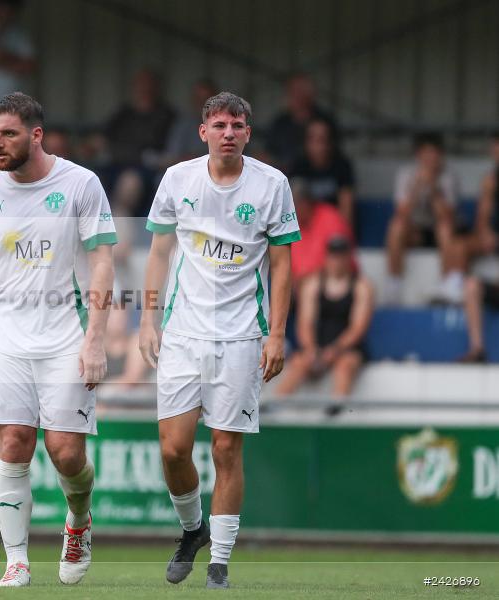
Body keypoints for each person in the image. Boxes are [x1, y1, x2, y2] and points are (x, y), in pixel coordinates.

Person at [0, 92, 116, 588]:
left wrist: (96, 341)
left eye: (9, 134)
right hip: (7, 339)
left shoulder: (80, 183)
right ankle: (16, 561)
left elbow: (102, 261)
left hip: (66, 337)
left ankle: (79, 522)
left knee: (65, 452)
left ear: (36, 135)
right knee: (14, 443)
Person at [139, 92, 298, 589]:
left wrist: (277, 334)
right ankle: (193, 530)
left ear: (249, 133)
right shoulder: (178, 179)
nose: (228, 132)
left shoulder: (272, 185)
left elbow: (283, 264)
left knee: (226, 449)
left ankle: (219, 565)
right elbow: (159, 252)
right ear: (202, 132)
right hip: (183, 333)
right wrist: (148, 320)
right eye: (219, 124)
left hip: (241, 336)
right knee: (173, 449)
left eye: (237, 125)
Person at [275, 236, 374, 409]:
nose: (337, 261)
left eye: (341, 256)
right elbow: (305, 322)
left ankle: (336, 409)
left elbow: (358, 327)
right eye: (333, 256)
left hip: (347, 348)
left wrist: (334, 350)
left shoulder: (361, 286)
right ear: (326, 257)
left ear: (348, 258)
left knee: (345, 365)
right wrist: (311, 348)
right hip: (317, 345)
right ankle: (275, 405)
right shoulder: (312, 284)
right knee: (298, 363)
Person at [384, 133, 463, 305]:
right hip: (415, 233)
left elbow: (447, 216)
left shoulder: (449, 176)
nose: (430, 159)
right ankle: (394, 284)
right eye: (425, 154)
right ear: (418, 155)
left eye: (434, 154)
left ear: (441, 155)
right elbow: (401, 213)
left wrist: (434, 188)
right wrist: (417, 188)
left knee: (445, 227)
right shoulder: (406, 174)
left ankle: (446, 286)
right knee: (396, 226)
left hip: (440, 234)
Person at [101, 69, 177, 216]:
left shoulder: (168, 116)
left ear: (157, 88)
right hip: (114, 166)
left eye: (149, 85)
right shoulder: (124, 113)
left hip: (149, 171)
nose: (144, 89)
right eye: (141, 85)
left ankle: (119, 231)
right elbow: (103, 140)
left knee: (129, 183)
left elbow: (172, 153)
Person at [459, 133, 499, 362]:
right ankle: (477, 349)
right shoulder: (491, 180)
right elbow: (481, 223)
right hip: (494, 274)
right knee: (472, 285)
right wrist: (486, 235)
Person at [263, 73, 338, 173]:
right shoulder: (280, 123)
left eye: (302, 92)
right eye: (294, 92)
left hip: (316, 176)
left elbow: (335, 154)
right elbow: (268, 152)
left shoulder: (324, 121)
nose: (298, 96)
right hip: (286, 176)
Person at [289, 118, 355, 228]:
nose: (318, 145)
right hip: (305, 228)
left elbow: (346, 210)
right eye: (312, 139)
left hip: (334, 228)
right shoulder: (299, 167)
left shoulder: (342, 166)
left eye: (322, 139)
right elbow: (293, 207)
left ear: (330, 142)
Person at [288, 178, 355, 286]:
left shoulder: (331, 218)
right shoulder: (289, 224)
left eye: (294, 204)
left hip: (333, 285)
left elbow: (339, 261)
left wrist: (306, 279)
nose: (290, 209)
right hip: (298, 289)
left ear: (305, 202)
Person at [163, 79, 217, 166]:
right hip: (187, 171)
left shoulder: (228, 124)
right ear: (193, 100)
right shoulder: (183, 123)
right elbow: (171, 157)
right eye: (199, 99)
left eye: (207, 100)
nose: (203, 104)